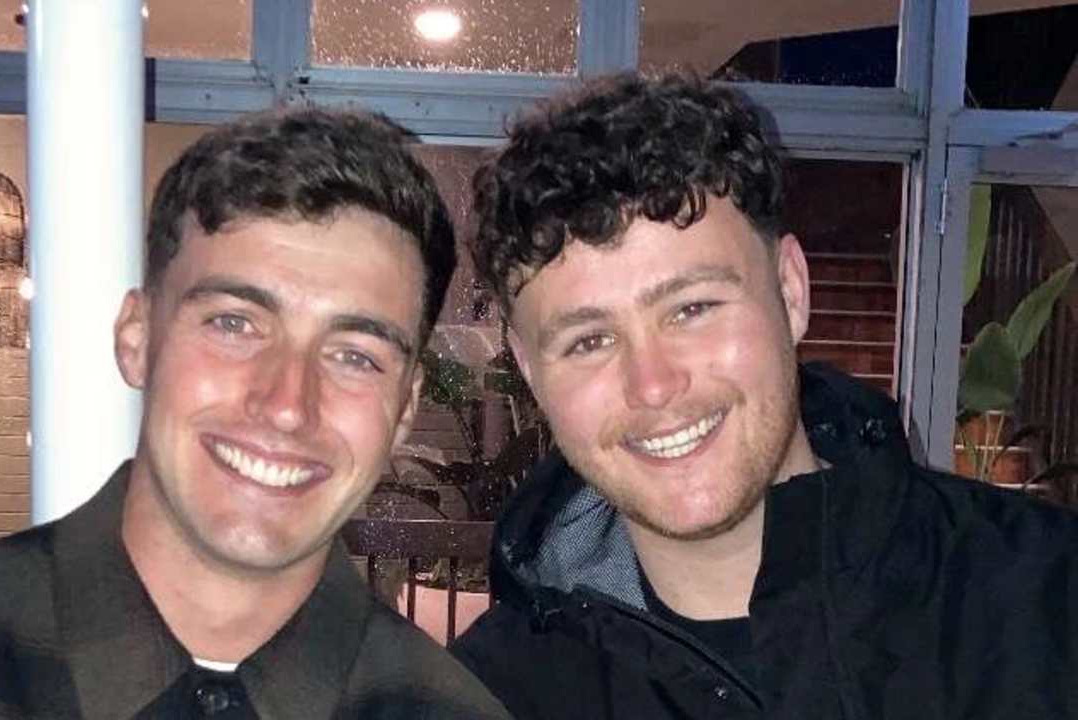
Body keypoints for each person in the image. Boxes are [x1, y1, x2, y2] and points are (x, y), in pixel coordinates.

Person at [0, 107, 510, 720]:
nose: (288, 405)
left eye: (355, 355)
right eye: (234, 323)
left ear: (406, 405)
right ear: (137, 338)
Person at [450, 70, 1078, 719]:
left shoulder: (1047, 607)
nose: (654, 385)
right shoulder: (488, 699)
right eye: (589, 341)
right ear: (530, 368)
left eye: (692, 308)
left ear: (791, 290)